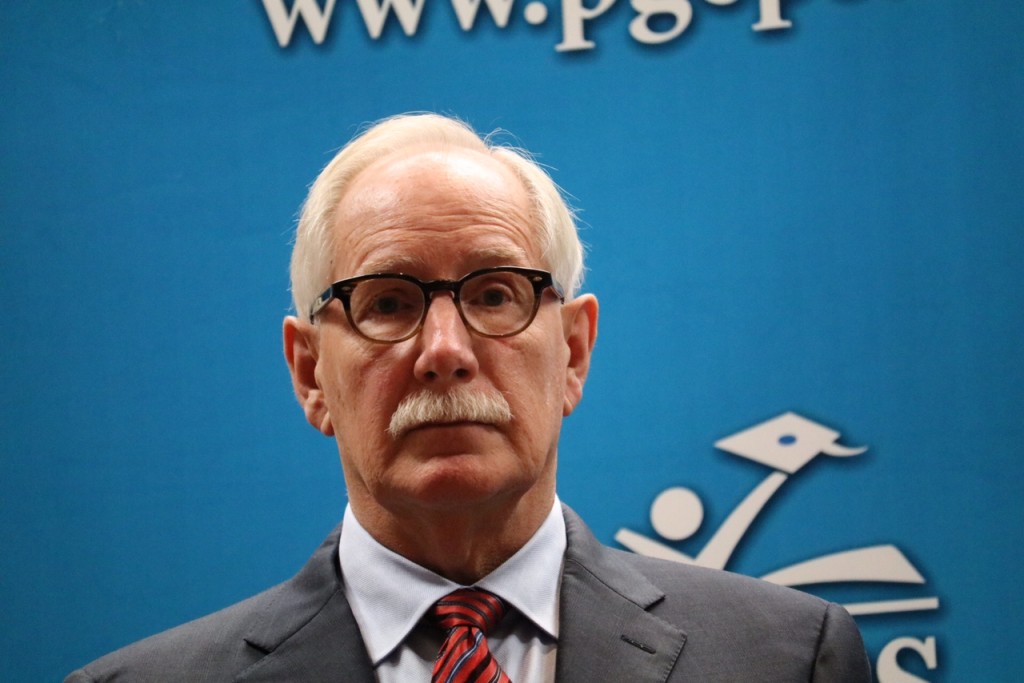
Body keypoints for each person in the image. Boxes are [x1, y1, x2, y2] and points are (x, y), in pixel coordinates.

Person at [66, 113, 871, 682]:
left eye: (493, 294)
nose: (445, 352)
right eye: (387, 302)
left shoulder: (788, 658)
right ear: (310, 373)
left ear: (573, 352)